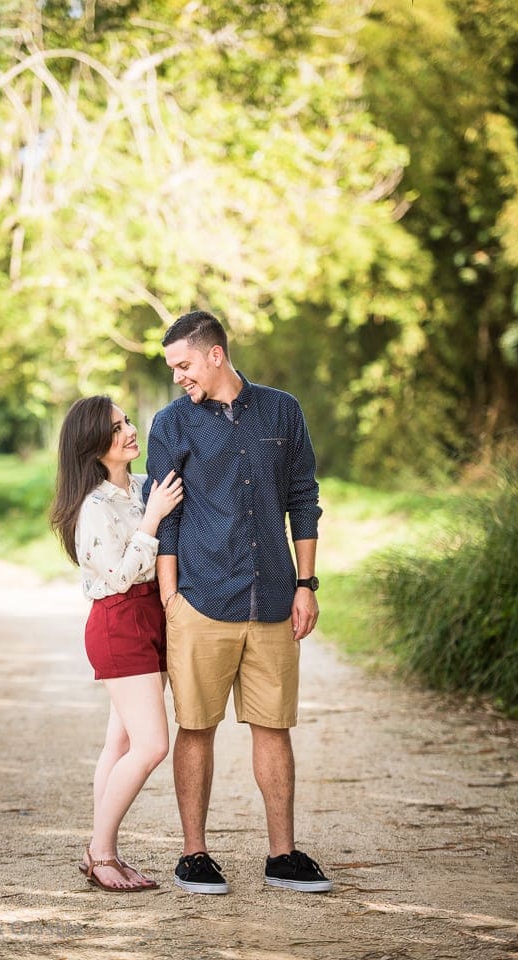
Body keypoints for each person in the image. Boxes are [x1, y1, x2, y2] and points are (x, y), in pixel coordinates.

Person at [144, 310, 332, 895]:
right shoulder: (171, 424)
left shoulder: (282, 411)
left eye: (184, 364)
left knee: (274, 727)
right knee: (196, 727)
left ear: (216, 355)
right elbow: (164, 512)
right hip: (200, 599)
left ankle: (283, 855)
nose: (178, 376)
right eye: (172, 366)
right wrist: (170, 596)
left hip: (274, 598)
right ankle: (194, 855)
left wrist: (306, 584)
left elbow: (303, 496)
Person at [50, 395, 183, 892]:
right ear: (93, 446)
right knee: (151, 744)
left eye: (126, 421)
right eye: (115, 428)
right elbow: (120, 576)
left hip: (152, 617)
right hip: (120, 619)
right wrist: (152, 521)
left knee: (121, 741)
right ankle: (101, 852)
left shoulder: (145, 487)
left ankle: (101, 848)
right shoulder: (94, 508)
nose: (129, 431)